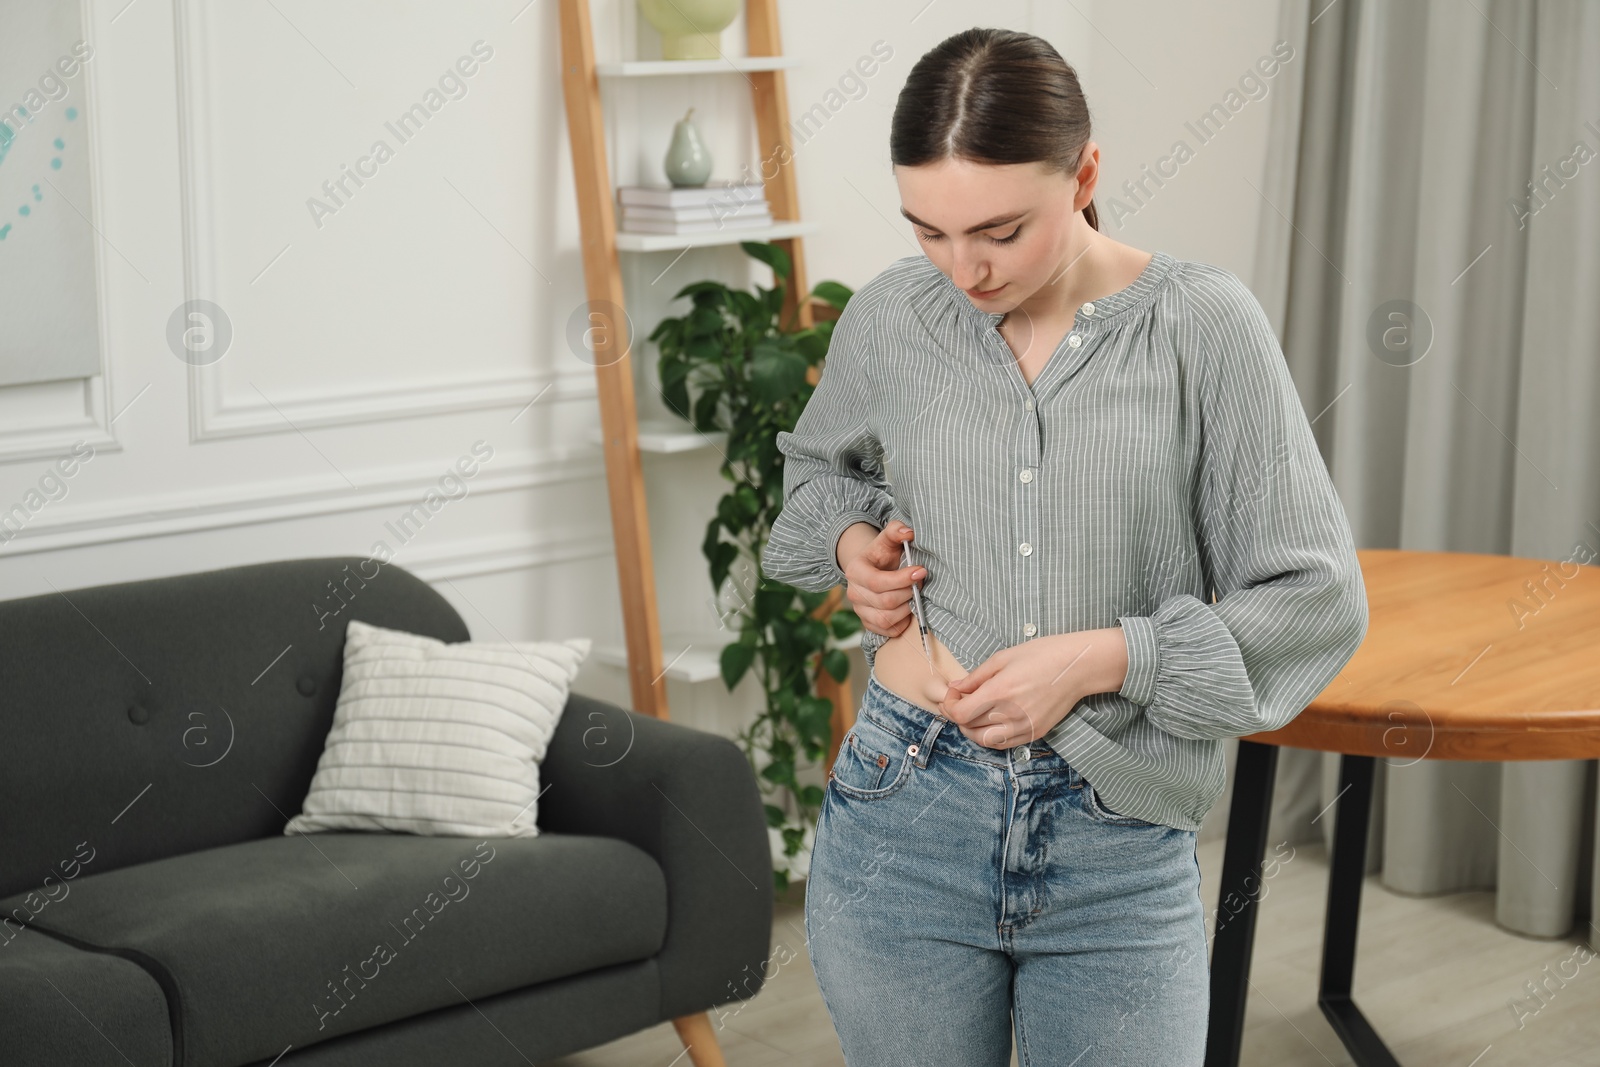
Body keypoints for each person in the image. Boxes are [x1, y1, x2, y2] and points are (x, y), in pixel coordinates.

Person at [759, 26, 1368, 1067]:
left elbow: (1315, 597)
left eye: (999, 229)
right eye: (929, 231)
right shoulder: (890, 316)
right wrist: (854, 540)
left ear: (1084, 173)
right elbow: (817, 474)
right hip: (901, 808)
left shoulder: (1200, 325)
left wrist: (1102, 656)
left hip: (1116, 836)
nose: (964, 267)